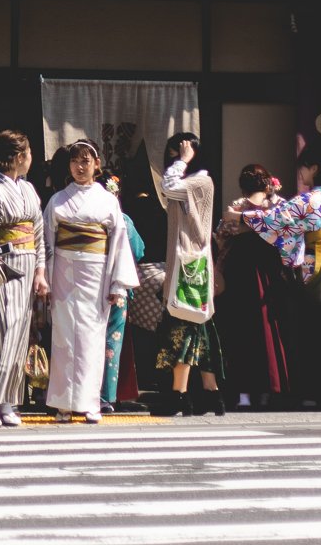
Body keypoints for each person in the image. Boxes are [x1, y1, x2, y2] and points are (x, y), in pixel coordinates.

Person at [241, 143, 321, 406]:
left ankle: (317, 391)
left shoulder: (308, 199)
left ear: (313, 168)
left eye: (303, 167)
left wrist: (243, 216)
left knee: (315, 325)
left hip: (318, 261)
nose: (300, 173)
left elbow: (273, 222)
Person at [43, 139, 137, 423]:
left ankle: (91, 402)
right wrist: (45, 278)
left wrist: (118, 285)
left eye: (86, 161)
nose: (80, 167)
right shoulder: (58, 200)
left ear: (97, 165)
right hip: (63, 271)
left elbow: (119, 243)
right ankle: (62, 403)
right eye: (75, 161)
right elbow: (47, 242)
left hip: (96, 274)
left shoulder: (108, 201)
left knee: (92, 339)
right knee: (63, 337)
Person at [0, 129, 48, 428]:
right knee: (0, 331)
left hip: (28, 263)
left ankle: (9, 400)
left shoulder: (29, 190)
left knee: (20, 335)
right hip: (2, 267)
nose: (30, 160)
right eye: (28, 154)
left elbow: (39, 233)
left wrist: (41, 271)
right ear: (19, 157)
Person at [155, 134, 224, 417]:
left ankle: (179, 394)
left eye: (179, 154)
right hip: (190, 263)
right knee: (199, 326)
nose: (174, 162)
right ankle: (211, 393)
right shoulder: (195, 183)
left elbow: (168, 186)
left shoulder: (200, 181)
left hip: (190, 265)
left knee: (183, 325)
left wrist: (182, 161)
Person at [214, 163, 292, 410]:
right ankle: (273, 389)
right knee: (271, 326)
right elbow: (287, 230)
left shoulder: (237, 207)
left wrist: (237, 231)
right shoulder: (278, 206)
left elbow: (221, 236)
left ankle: (243, 392)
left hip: (240, 268)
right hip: (270, 268)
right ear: (268, 183)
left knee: (241, 329)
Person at [100, 166, 146, 414]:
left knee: (88, 338)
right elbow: (139, 250)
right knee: (111, 343)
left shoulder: (92, 215)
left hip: (90, 283)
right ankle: (106, 396)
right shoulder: (123, 219)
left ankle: (85, 393)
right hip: (117, 287)